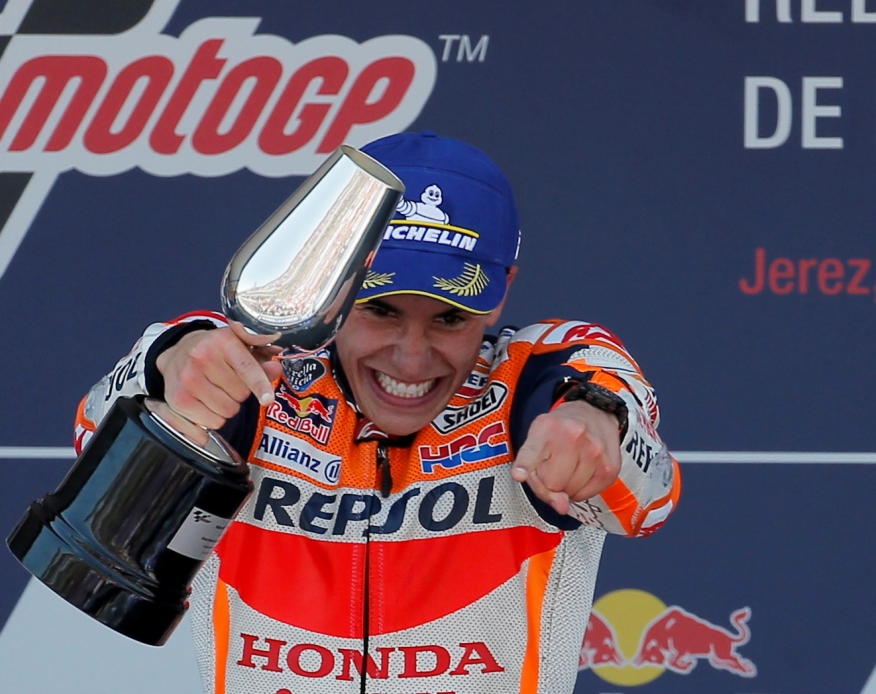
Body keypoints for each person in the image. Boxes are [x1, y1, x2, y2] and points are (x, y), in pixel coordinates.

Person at [74, 131, 681, 694]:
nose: (412, 359)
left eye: (450, 318)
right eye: (382, 311)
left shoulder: (539, 379)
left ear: (502, 294)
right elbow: (92, 438)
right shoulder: (250, 378)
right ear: (332, 286)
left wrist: (600, 425)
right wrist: (165, 363)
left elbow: (650, 498)